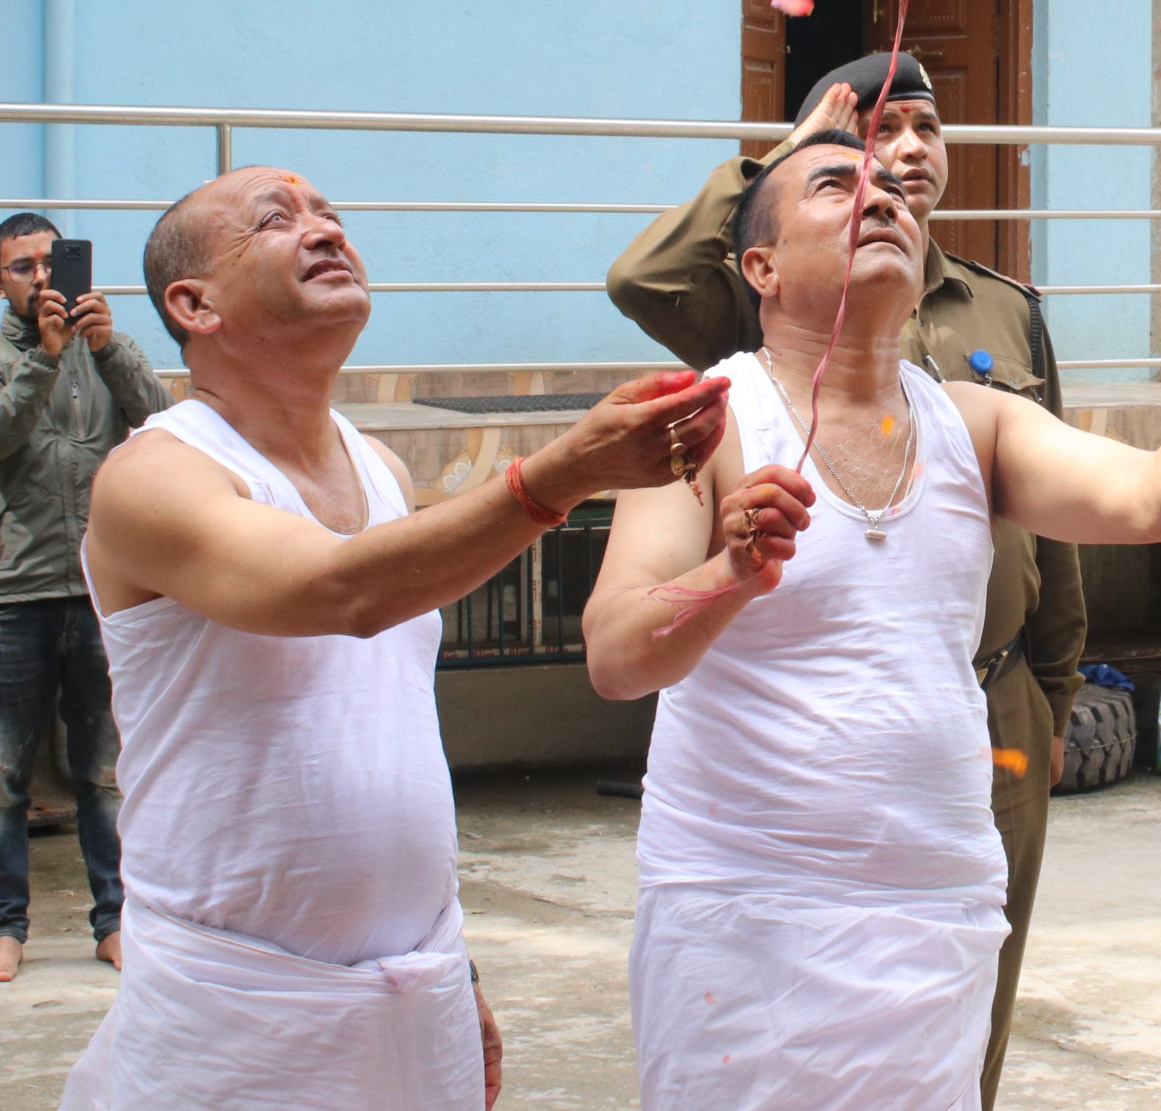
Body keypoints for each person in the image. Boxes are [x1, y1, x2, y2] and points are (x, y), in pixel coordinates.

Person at [585, 129, 1161, 1111]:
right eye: (837, 185)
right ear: (758, 266)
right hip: (747, 918)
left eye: (894, 189)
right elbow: (616, 654)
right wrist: (730, 573)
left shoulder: (974, 422)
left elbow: (1156, 502)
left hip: (935, 913)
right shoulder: (707, 419)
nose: (883, 197)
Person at [59, 165, 732, 1111]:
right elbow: (338, 589)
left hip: (409, 986)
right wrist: (557, 479)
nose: (325, 230)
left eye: (331, 213)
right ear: (192, 302)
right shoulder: (154, 474)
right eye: (276, 220)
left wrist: (451, 961)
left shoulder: (376, 465)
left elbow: (390, 732)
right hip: (233, 1004)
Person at [606, 51, 1085, 1106]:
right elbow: (643, 280)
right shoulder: (749, 351)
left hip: (982, 697)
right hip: (776, 806)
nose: (904, 153)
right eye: (871, 136)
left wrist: (1054, 694)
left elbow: (1063, 532)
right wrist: (793, 154)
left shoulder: (1002, 309)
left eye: (923, 129)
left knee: (963, 1022)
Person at [0, 212, 171, 983]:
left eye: (52, 262)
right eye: (22, 267)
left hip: (102, 589)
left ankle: (115, 922)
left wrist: (105, 346)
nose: (42, 279)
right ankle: (6, 930)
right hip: (10, 595)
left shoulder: (103, 345)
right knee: (1, 780)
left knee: (106, 774)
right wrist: (42, 359)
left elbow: (162, 417)